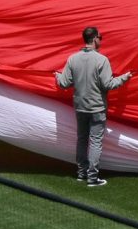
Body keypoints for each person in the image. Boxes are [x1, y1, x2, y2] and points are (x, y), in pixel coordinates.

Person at [56, 26, 133, 188]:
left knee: (82, 139)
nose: (101, 40)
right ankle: (92, 177)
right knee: (95, 141)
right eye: (101, 37)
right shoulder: (101, 60)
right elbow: (108, 84)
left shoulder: (72, 59)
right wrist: (124, 78)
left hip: (80, 107)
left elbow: (64, 83)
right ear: (94, 39)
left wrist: (57, 76)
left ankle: (81, 173)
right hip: (97, 108)